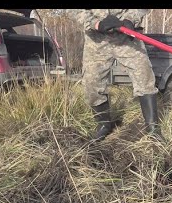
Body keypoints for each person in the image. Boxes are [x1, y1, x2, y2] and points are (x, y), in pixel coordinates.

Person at [66, 9, 160, 140]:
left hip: (126, 36)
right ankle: (104, 124)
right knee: (91, 84)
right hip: (96, 40)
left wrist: (130, 19)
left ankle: (153, 129)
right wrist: (96, 23)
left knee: (145, 76)